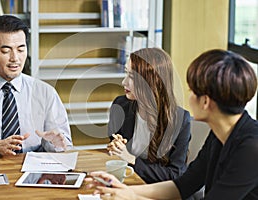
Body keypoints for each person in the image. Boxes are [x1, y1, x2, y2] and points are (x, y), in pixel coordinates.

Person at [87, 49, 258, 199]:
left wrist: (132, 198)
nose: (188, 97)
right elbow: (182, 186)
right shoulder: (219, 134)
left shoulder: (251, 148)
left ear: (205, 102)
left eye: (192, 91)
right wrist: (128, 192)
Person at [0, 15, 72, 156]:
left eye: (21, 49)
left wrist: (56, 144)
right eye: (6, 51)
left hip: (34, 174)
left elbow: (64, 147)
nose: (15, 58)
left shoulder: (45, 92)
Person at [107, 48, 191, 183]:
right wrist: (116, 145)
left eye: (132, 77)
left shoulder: (179, 120)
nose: (124, 82)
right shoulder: (121, 105)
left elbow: (175, 174)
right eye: (126, 73)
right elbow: (114, 140)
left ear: (151, 82)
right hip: (132, 183)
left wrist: (131, 159)